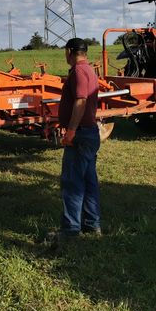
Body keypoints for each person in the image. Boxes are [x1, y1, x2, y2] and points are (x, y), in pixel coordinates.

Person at [53, 37, 102, 241]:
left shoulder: (79, 71)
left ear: (70, 51)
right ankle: (92, 225)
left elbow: (80, 101)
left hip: (81, 133)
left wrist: (71, 130)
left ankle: (71, 229)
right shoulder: (89, 70)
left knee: (72, 181)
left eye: (65, 51)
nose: (65, 55)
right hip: (89, 132)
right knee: (89, 181)